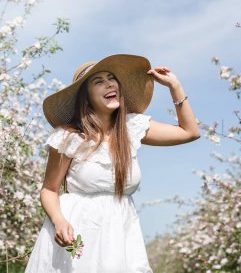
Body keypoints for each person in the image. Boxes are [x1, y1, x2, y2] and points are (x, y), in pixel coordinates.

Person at [24, 54, 200, 273]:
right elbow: (49, 190)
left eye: (111, 78)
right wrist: (59, 222)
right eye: (98, 81)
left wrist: (175, 86)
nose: (109, 84)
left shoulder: (132, 127)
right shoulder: (69, 137)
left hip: (121, 232)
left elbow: (189, 132)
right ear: (85, 96)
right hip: (79, 229)